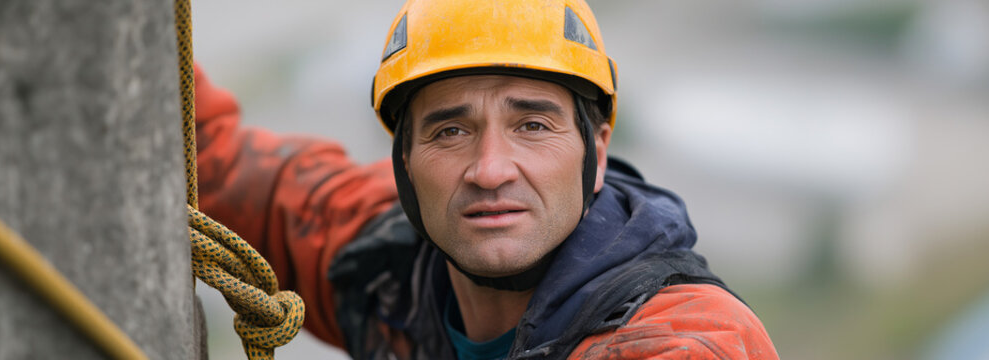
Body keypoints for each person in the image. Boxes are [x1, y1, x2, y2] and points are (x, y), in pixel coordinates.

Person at [196, 0, 779, 358]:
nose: (491, 170)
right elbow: (209, 155)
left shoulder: (683, 343)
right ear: (404, 162)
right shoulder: (385, 270)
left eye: (531, 124)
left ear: (596, 153)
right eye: (450, 132)